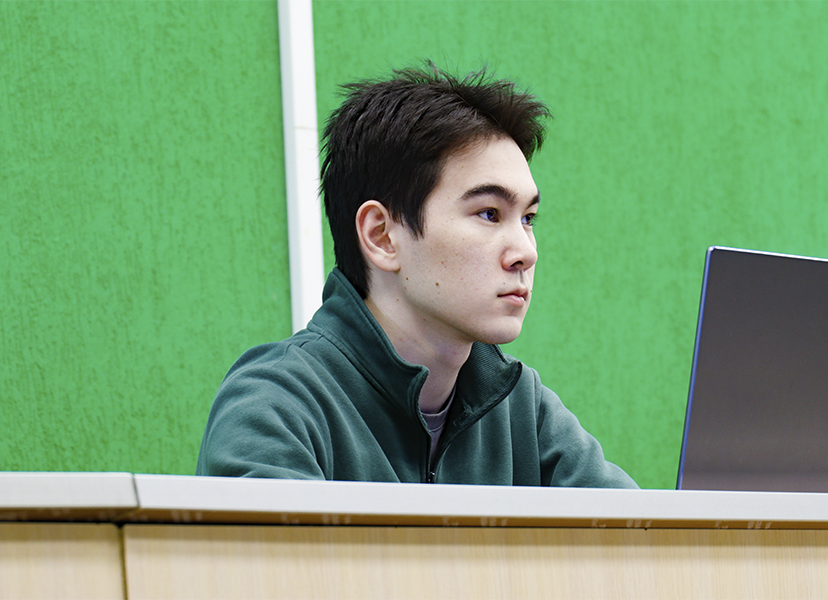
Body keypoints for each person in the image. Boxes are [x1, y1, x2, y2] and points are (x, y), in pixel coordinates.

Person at [196, 64, 637, 488]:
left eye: (528, 218)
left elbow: (647, 534)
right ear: (382, 236)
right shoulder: (275, 405)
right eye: (489, 213)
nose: (526, 252)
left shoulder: (521, 409)